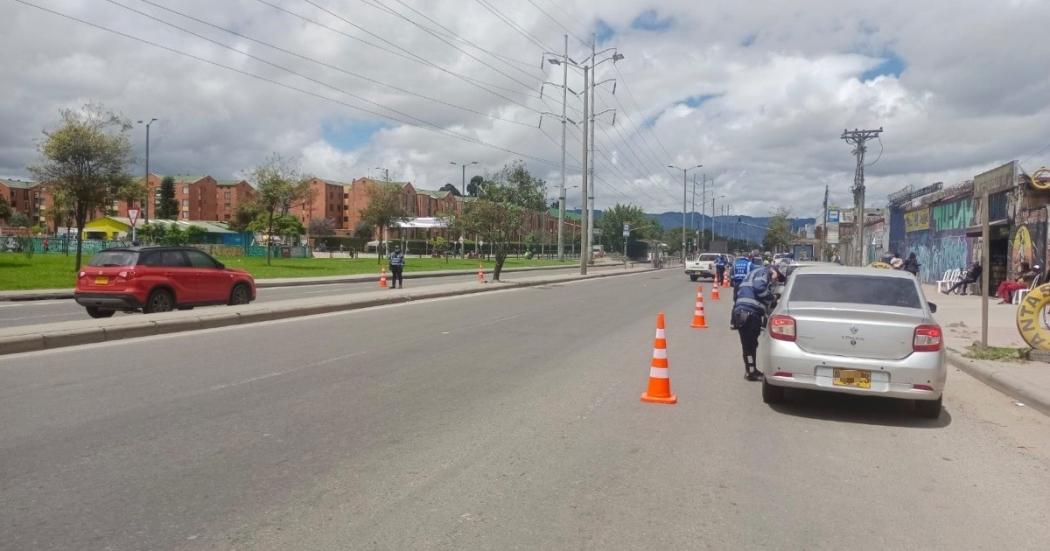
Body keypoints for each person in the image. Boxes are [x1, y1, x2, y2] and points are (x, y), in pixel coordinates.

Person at [731, 264, 784, 381]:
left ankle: (751, 370)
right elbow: (759, 288)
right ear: (773, 270)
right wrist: (773, 298)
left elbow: (738, 291)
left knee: (749, 345)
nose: (776, 280)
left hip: (742, 313)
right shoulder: (764, 272)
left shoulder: (754, 273)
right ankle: (751, 372)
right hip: (749, 314)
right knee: (749, 345)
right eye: (777, 276)